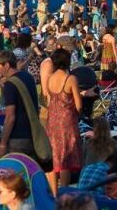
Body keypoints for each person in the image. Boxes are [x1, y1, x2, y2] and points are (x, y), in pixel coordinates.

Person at [45, 48, 82, 195]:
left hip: (52, 119)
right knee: (66, 156)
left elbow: (49, 99)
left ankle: (54, 192)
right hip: (67, 120)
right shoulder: (70, 79)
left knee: (54, 156)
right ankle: (64, 192)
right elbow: (78, 105)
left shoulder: (50, 78)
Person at [0, 50, 41, 162]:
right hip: (32, 134)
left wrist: (2, 145)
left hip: (17, 137)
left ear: (6, 65)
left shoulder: (10, 84)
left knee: (15, 174)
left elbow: (10, 117)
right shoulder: (28, 77)